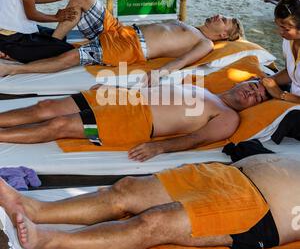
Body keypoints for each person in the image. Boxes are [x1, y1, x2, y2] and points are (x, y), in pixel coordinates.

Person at [0, 154, 299, 249]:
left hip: (259, 209)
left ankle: (50, 240)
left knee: (155, 222)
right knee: (125, 190)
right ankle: (33, 209)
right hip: (228, 175)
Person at [0, 0, 244, 81]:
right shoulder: (189, 25)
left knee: (71, 58)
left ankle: (13, 68)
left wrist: (159, 74)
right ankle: (51, 42)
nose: (219, 16)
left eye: (225, 21)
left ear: (223, 35)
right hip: (120, 29)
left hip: (130, 47)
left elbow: (183, 61)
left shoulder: (205, 43)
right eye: (222, 15)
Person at [0, 79, 268, 160]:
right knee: (46, 107)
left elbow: (196, 139)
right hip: (124, 97)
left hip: (134, 119)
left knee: (57, 125)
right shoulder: (206, 89)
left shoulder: (228, 115)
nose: (252, 91)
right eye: (254, 85)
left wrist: (159, 147)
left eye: (258, 96)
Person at [262, 0, 300, 103]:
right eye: (278, 26)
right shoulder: (289, 40)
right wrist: (270, 80)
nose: (280, 32)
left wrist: (280, 94)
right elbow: (292, 73)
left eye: (286, 29)